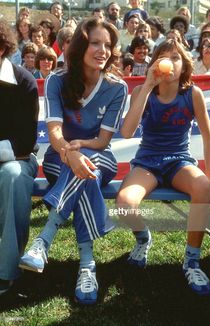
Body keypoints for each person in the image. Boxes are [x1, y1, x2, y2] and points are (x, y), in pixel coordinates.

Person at [19, 18, 128, 305]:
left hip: (100, 156)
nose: (103, 50)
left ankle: (44, 239)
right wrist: (70, 152)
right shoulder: (56, 79)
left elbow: (103, 142)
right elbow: (54, 132)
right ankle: (87, 264)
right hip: (60, 158)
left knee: (88, 165)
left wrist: (82, 149)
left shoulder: (117, 88)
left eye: (108, 45)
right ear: (80, 46)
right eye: (95, 43)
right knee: (83, 174)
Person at [116, 38, 210, 296]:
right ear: (154, 63)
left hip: (178, 162)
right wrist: (148, 85)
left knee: (203, 188)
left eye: (175, 57)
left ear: (184, 65)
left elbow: (208, 137)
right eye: (163, 56)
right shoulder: (142, 92)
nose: (169, 62)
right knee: (125, 204)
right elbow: (127, 132)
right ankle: (143, 238)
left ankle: (192, 260)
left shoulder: (192, 94)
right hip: (147, 162)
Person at [0, 19, 39, 295]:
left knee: (12, 177)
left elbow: (26, 141)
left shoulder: (23, 81)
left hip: (18, 158)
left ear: (3, 47)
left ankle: (6, 271)